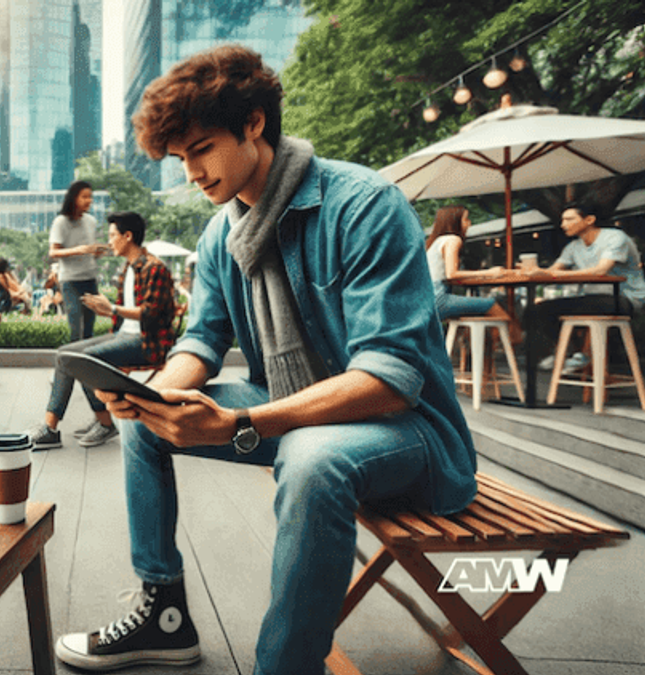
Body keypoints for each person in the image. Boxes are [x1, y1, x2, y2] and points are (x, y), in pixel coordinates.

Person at [52, 45, 476, 674]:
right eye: (180, 158)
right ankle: (164, 615)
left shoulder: (362, 204)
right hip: (292, 410)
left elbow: (390, 377)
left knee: (310, 459)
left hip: (409, 433)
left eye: (201, 149)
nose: (191, 172)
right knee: (145, 430)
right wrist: (158, 395)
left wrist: (241, 424)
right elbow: (202, 339)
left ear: (253, 123)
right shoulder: (222, 233)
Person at [26, 211, 177, 450]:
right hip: (124, 335)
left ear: (127, 236)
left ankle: (72, 426)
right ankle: (56, 428)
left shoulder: (154, 268)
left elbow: (152, 314)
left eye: (112, 235)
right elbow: (122, 313)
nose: (109, 241)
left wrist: (112, 309)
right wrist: (107, 309)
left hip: (146, 342)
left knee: (84, 360)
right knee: (65, 354)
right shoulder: (128, 268)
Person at [523, 201, 645, 372]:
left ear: (589, 220)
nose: (563, 224)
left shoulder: (615, 237)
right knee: (535, 310)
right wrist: (529, 272)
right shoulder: (573, 247)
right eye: (562, 220)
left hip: (624, 298)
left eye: (569, 219)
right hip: (591, 298)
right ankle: (572, 352)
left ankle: (581, 355)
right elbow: (551, 273)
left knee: (588, 304)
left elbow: (601, 270)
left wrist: (550, 274)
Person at [424, 206, 518, 329]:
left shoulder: (434, 242)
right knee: (491, 304)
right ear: (454, 222)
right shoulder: (453, 239)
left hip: (425, 301)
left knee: (479, 309)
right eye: (466, 219)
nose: (469, 223)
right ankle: (512, 341)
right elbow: (451, 274)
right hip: (438, 299)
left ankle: (490, 343)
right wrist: (489, 273)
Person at [51, 180, 105, 343]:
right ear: (74, 198)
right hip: (70, 280)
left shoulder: (91, 221)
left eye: (90, 197)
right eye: (84, 197)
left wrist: (97, 252)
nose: (89, 200)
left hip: (90, 278)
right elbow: (53, 252)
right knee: (76, 324)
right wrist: (79, 249)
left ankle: (87, 364)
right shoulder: (61, 222)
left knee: (89, 327)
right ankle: (74, 363)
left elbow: (90, 252)